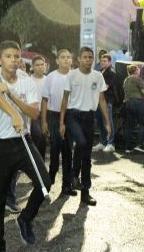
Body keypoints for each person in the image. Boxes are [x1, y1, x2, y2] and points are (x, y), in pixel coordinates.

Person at [0, 40, 51, 252]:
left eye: (16, 56)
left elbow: (34, 111)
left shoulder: (27, 81)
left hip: (23, 142)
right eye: (9, 56)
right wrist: (12, 112)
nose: (13, 60)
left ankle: (25, 218)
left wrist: (13, 96)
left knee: (45, 183)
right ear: (0, 59)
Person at [59, 47, 111, 206]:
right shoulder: (71, 75)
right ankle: (74, 175)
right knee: (80, 143)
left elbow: (102, 100)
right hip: (73, 115)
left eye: (91, 57)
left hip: (89, 117)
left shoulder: (98, 76)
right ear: (79, 59)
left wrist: (107, 122)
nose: (88, 60)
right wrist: (62, 122)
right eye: (85, 57)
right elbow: (65, 99)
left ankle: (85, 193)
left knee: (87, 158)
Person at [40, 49, 75, 195]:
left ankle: (67, 185)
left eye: (68, 57)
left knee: (68, 152)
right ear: (57, 60)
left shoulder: (76, 76)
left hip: (71, 116)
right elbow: (44, 100)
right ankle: (50, 180)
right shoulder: (51, 77)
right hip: (54, 116)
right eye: (63, 57)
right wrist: (44, 121)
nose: (66, 60)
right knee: (55, 150)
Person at [122, 64, 144, 154]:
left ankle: (127, 148)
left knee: (129, 126)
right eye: (138, 69)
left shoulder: (126, 80)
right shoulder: (137, 79)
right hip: (138, 103)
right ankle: (139, 144)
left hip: (127, 103)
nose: (139, 71)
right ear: (136, 71)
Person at [93, 54, 116, 153]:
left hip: (107, 101)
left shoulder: (111, 73)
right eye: (101, 61)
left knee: (108, 122)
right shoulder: (99, 72)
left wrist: (94, 88)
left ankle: (110, 143)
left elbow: (105, 87)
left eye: (105, 61)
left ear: (110, 62)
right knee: (100, 122)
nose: (103, 63)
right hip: (97, 101)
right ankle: (102, 142)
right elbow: (93, 87)